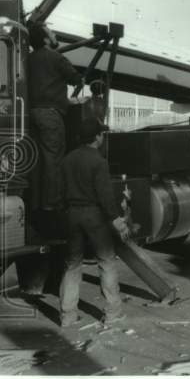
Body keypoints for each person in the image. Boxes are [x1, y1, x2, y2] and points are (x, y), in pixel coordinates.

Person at [59, 117, 129, 327]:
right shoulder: (99, 162)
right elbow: (105, 196)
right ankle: (113, 312)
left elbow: (60, 191)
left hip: (72, 214)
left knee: (72, 264)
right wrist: (117, 220)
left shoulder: (67, 159)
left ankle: (67, 316)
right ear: (98, 137)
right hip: (94, 215)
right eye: (101, 134)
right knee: (106, 262)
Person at [27, 22, 83, 211]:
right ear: (45, 39)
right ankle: (52, 206)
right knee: (54, 160)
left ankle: (36, 205)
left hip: (30, 114)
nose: (54, 34)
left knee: (37, 160)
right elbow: (77, 78)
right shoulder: (56, 58)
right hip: (51, 115)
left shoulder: (27, 59)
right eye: (51, 33)